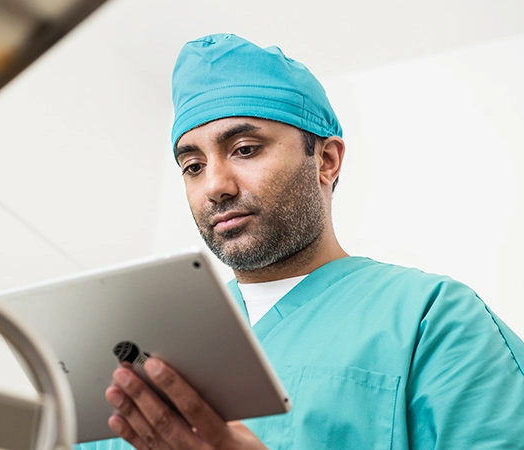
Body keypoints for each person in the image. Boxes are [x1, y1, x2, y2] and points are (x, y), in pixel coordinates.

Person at [76, 33, 524, 449]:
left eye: (245, 149)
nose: (216, 185)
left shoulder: (433, 318)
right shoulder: (141, 354)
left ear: (326, 160)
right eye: (192, 165)